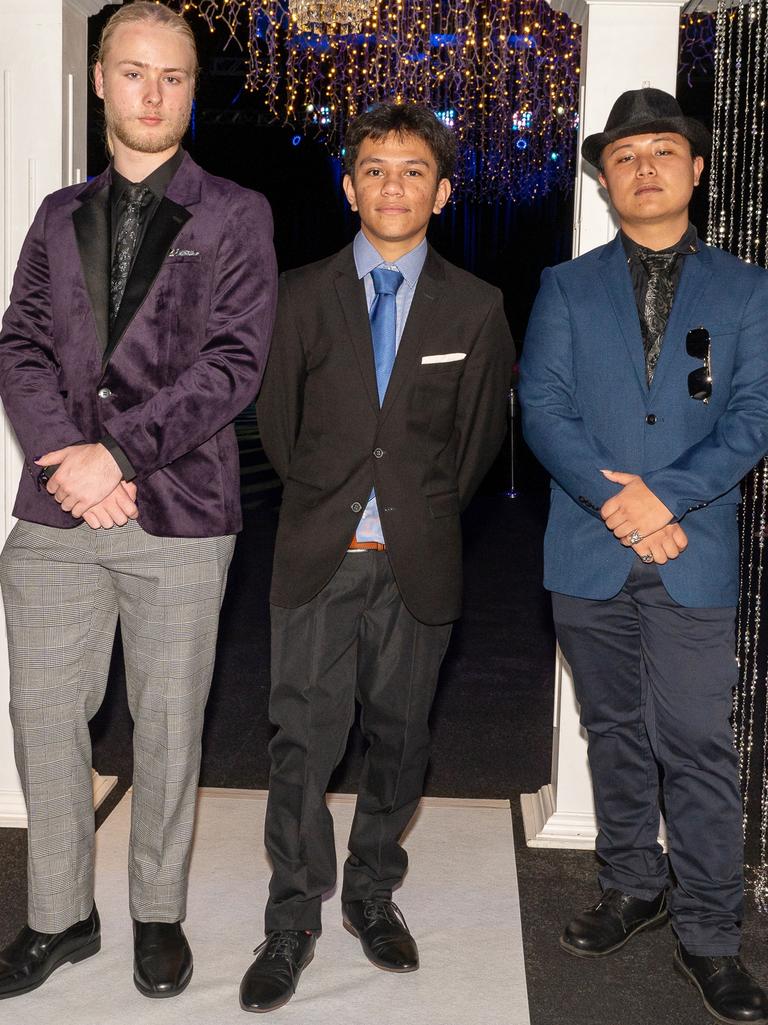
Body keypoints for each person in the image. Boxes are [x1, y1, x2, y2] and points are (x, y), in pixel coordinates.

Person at [0, 1, 276, 1001]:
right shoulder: (55, 214)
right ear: (102, 80)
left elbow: (234, 364)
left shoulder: (238, 213)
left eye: (173, 77)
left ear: (191, 93)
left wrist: (115, 453)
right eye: (134, 72)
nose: (152, 93)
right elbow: (21, 342)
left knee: (167, 727)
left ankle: (158, 914)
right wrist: (68, 455)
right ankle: (61, 915)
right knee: (43, 716)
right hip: (58, 512)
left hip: (182, 513)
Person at [241, 102, 514, 1013]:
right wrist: (336, 500)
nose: (392, 184)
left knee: (401, 741)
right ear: (348, 184)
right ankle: (291, 917)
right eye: (374, 168)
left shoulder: (476, 307)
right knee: (300, 746)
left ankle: (371, 892)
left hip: (418, 563)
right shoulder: (299, 293)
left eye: (412, 171)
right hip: (317, 556)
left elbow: (476, 445)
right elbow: (278, 426)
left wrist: (407, 512)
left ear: (441, 192)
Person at [519, 87, 768, 1025]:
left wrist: (661, 497)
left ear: (696, 170)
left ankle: (711, 934)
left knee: (697, 744)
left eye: (665, 150)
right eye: (626, 156)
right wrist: (620, 501)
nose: (646, 167)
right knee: (613, 731)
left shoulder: (748, 290)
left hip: (692, 551)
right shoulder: (564, 286)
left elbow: (753, 417)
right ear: (606, 179)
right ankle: (633, 882)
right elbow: (542, 411)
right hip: (588, 551)